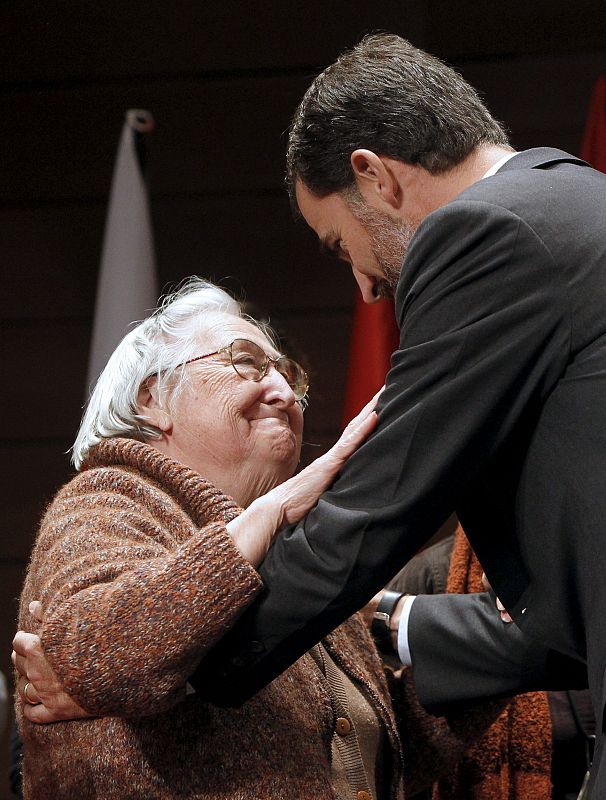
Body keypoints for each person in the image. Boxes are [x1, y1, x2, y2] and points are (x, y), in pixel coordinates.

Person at [185, 32, 606, 798]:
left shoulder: (487, 233)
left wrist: (183, 669)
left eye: (339, 245)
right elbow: (564, 621)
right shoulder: (573, 200)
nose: (368, 287)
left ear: (372, 175)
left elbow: (375, 509)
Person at [13, 277, 504, 800]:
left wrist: (502, 650)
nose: (286, 393)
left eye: (289, 374)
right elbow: (94, 656)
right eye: (245, 361)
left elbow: (376, 750)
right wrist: (264, 518)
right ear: (151, 398)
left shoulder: (292, 546)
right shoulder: (106, 501)